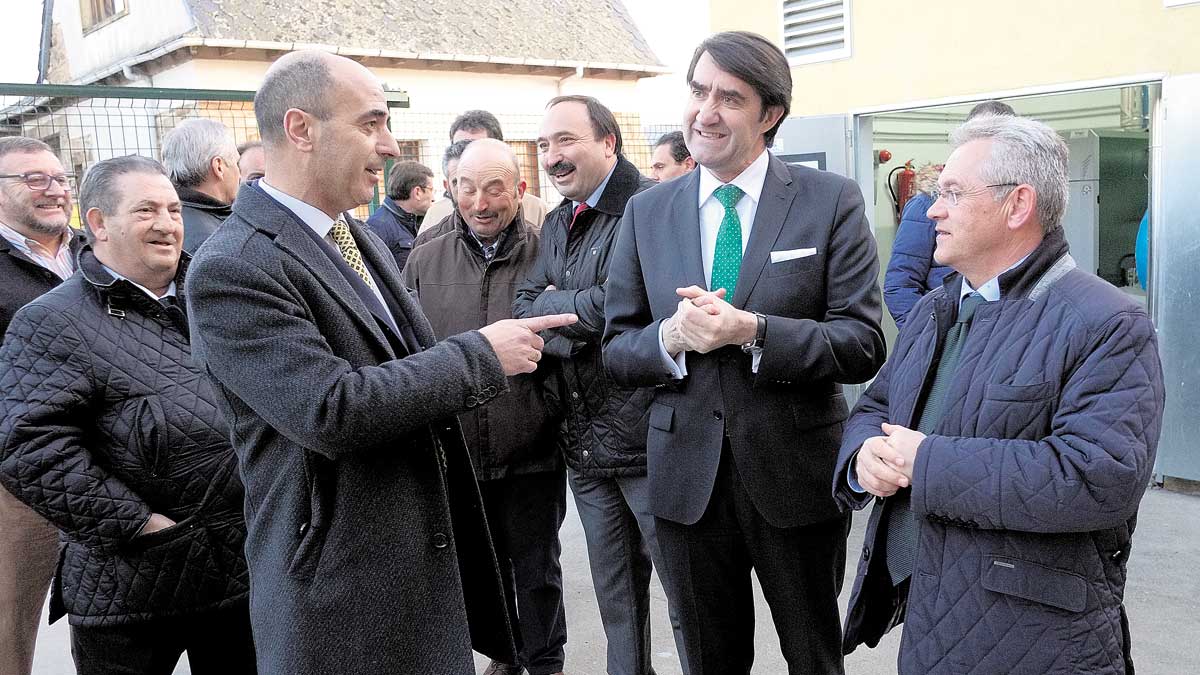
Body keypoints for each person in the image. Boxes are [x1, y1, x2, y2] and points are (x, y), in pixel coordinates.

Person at [185, 50, 575, 675]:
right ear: (301, 128)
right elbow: (329, 409)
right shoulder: (234, 267)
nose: (391, 146)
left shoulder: (351, 234)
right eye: (371, 124)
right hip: (343, 595)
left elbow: (405, 365)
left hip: (411, 567)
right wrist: (481, 354)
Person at [834, 114, 1164, 675]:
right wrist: (863, 456)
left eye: (953, 194)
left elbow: (1096, 478)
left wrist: (926, 460)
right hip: (933, 624)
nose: (932, 209)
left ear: (1018, 206)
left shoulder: (1107, 323)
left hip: (1038, 641)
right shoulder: (939, 308)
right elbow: (876, 408)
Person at [602, 32, 885, 675]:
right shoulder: (649, 212)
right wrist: (671, 338)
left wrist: (753, 331)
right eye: (699, 90)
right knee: (709, 660)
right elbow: (617, 351)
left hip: (795, 474)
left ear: (770, 115)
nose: (705, 111)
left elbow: (862, 343)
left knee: (814, 656)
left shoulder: (828, 200)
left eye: (730, 98)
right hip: (684, 481)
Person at [0, 155, 254, 675]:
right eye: (145, 211)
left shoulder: (209, 296)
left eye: (173, 210)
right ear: (97, 223)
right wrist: (139, 525)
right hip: (129, 588)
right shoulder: (50, 320)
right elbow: (28, 448)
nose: (166, 224)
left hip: (237, 578)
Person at [514, 95, 689, 675]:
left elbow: (626, 309)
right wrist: (578, 318)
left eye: (566, 140)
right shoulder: (559, 220)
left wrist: (558, 313)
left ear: (608, 142)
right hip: (584, 442)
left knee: (687, 597)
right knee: (618, 599)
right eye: (543, 145)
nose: (552, 157)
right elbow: (524, 307)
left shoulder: (650, 206)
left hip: (646, 441)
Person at [404, 138, 567, 675]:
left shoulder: (548, 250)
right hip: (458, 450)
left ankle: (543, 662)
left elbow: (568, 344)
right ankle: (504, 655)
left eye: (495, 188)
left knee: (537, 571)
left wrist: (545, 408)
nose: (481, 201)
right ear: (451, 190)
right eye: (467, 188)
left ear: (520, 190)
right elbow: (409, 351)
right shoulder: (424, 258)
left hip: (532, 447)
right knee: (479, 568)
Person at [0, 135, 83, 675]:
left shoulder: (90, 251)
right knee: (12, 618)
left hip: (108, 467)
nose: (53, 190)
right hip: (22, 476)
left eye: (59, 178)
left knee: (111, 614)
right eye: (34, 179)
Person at [883, 100, 1015, 328]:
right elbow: (900, 284)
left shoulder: (1015, 203)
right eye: (979, 137)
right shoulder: (928, 203)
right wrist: (931, 339)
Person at [423, 109, 548, 230]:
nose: (467, 156)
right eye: (459, 147)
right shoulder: (436, 215)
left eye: (477, 147)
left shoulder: (535, 209)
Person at [160, 118, 240, 253]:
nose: (239, 174)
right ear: (218, 167)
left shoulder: (168, 221)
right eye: (236, 164)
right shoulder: (214, 241)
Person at [365, 160, 434, 270]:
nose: (433, 198)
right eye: (431, 190)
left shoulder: (418, 220)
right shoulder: (378, 227)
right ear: (417, 192)